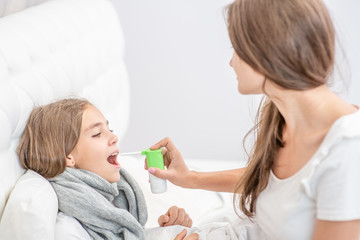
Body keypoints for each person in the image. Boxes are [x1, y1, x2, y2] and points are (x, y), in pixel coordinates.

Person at [145, 0, 360, 239]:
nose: (231, 62)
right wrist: (190, 179)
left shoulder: (348, 151)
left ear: (267, 50)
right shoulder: (283, 118)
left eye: (236, 48)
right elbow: (274, 182)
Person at [17, 98, 199, 240]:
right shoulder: (68, 229)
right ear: (67, 157)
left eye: (110, 129)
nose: (114, 137)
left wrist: (165, 232)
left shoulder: (112, 206)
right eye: (97, 133)